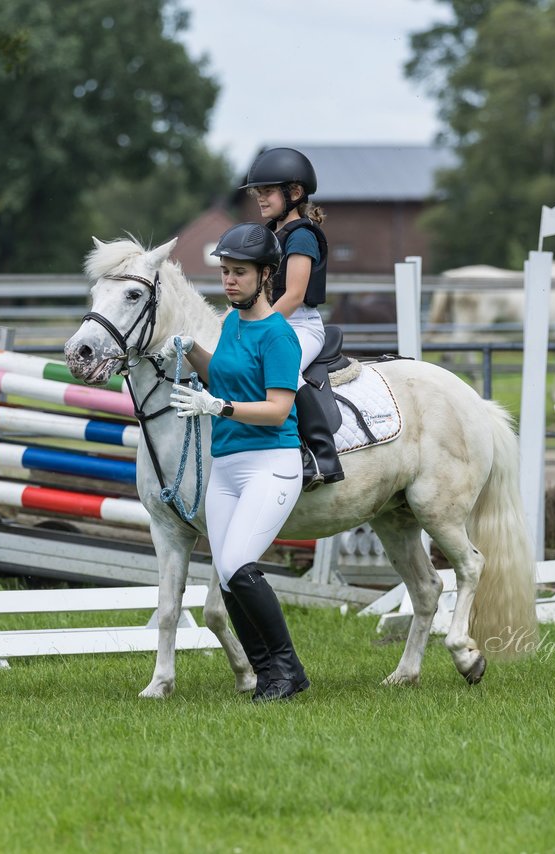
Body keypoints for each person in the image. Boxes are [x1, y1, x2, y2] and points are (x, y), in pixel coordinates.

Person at [160, 222, 310, 702]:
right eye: (224, 272)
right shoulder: (229, 325)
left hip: (271, 463)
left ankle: (289, 671)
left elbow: (278, 409)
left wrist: (218, 407)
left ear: (266, 275)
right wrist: (189, 350)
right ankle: (268, 676)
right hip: (225, 465)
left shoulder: (278, 335)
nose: (229, 281)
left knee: (238, 565)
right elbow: (219, 373)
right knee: (226, 575)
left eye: (239, 273)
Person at [240, 146, 344, 490]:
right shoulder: (269, 233)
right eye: (258, 193)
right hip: (272, 321)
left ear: (294, 193)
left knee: (282, 369)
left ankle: (320, 454)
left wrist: (260, 325)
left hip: (300, 324)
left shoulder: (301, 235)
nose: (260, 199)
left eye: (266, 192)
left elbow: (294, 295)